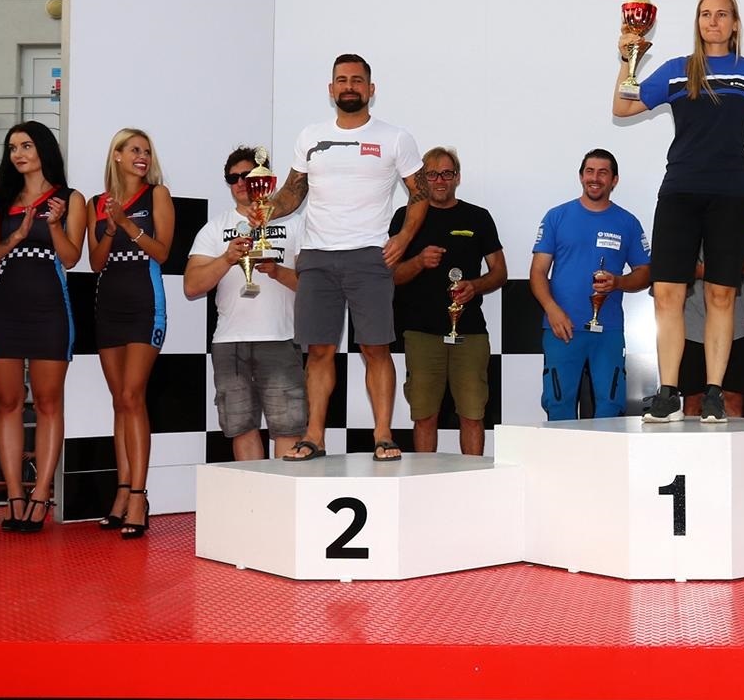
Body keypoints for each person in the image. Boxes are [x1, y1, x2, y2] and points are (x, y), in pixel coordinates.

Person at [612, 0, 744, 424]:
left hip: (732, 193)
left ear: (735, 23)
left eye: (722, 14)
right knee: (668, 292)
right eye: (705, 14)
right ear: (697, 22)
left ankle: (715, 393)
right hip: (679, 192)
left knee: (721, 294)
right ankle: (669, 392)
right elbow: (622, 107)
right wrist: (628, 59)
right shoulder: (677, 70)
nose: (713, 21)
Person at [255, 54, 426, 462]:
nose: (350, 86)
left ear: (371, 88)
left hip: (369, 257)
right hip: (316, 256)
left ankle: (383, 435)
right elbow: (293, 192)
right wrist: (266, 210)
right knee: (318, 351)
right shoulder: (310, 136)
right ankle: (314, 436)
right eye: (342, 80)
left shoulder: (395, 138)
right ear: (331, 89)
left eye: (357, 80)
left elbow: (418, 194)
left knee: (375, 349)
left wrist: (403, 238)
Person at [0, 121, 85, 534]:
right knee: (7, 403)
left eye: (26, 145)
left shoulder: (70, 198)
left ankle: (41, 495)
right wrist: (17, 235)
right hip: (2, 309)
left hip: (49, 310)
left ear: (44, 149)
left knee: (47, 403)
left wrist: (54, 224)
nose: (18, 154)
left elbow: (72, 258)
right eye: (12, 148)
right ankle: (14, 495)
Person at [184, 146, 307, 461]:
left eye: (248, 176)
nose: (240, 182)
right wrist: (227, 258)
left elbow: (313, 287)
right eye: (233, 177)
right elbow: (192, 286)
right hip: (230, 343)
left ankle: (283, 494)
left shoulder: (294, 224)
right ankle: (255, 493)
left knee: (288, 429)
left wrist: (277, 272)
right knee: (241, 428)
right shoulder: (215, 228)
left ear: (264, 179)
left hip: (281, 337)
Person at [390, 147, 507, 455]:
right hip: (421, 332)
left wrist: (475, 286)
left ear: (458, 177)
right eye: (431, 174)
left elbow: (500, 273)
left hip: (470, 332)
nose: (440, 180)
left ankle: (474, 478)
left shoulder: (478, 217)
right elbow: (390, 276)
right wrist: (418, 262)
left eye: (447, 173)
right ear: (421, 180)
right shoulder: (404, 217)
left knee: (472, 414)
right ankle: (424, 479)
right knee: (424, 416)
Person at [90, 127, 175, 539]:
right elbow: (95, 263)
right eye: (134, 150)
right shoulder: (97, 202)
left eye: (147, 150)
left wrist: (126, 223)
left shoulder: (158, 194)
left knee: (132, 396)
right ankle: (122, 492)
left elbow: (163, 252)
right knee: (119, 402)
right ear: (117, 155)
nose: (142, 156)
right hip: (108, 307)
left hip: (145, 304)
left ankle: (139, 496)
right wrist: (110, 226)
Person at [530, 150, 651, 421]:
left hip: (608, 329)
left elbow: (645, 273)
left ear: (614, 180)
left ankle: (606, 452)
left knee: (611, 406)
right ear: (581, 176)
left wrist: (618, 282)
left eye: (603, 172)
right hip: (562, 327)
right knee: (558, 405)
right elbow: (537, 272)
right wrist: (552, 309)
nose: (595, 178)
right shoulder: (556, 216)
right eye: (589, 171)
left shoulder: (628, 222)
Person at [680, 231, 744, 422]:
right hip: (691, 327)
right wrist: (711, 269)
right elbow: (668, 269)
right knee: (693, 402)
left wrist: (733, 260)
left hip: (736, 327)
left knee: (733, 400)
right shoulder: (683, 216)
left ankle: (733, 444)